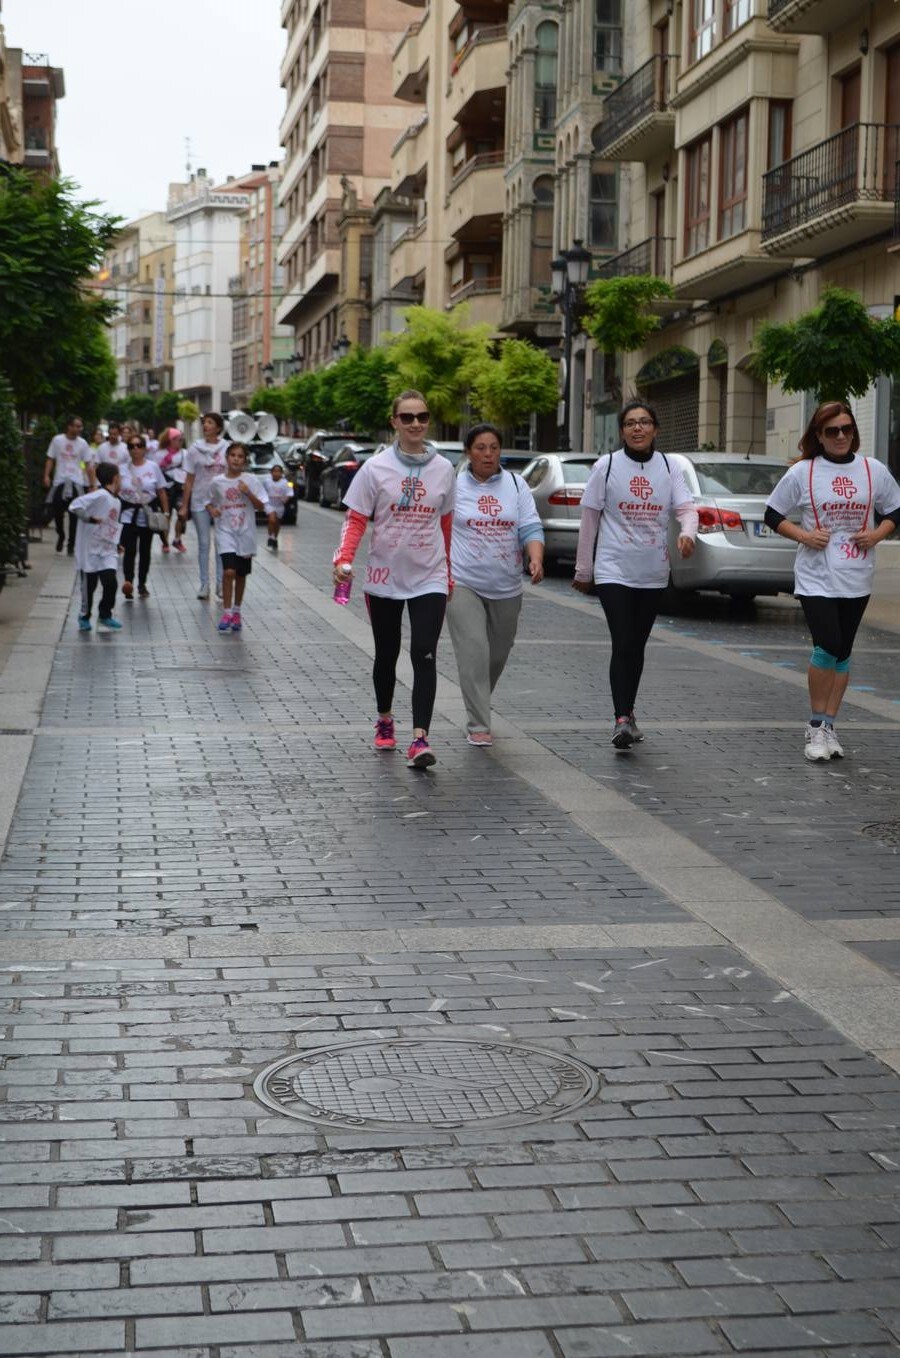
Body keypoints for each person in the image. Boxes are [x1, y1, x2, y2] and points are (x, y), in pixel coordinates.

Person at [764, 400, 900, 762]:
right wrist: (804, 537)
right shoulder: (804, 472)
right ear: (819, 436)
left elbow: (895, 511)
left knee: (843, 652)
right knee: (827, 645)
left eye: (847, 429)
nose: (841, 436)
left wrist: (877, 534)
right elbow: (773, 514)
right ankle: (814, 725)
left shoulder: (873, 470)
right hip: (816, 576)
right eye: (832, 431)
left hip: (857, 575)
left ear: (854, 433)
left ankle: (829, 726)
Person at [332, 389, 455, 768]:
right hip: (385, 575)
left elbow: (446, 524)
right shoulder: (375, 468)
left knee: (424, 653)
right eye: (407, 417)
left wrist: (448, 573)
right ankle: (385, 720)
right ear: (394, 422)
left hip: (429, 574)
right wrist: (344, 558)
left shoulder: (445, 469)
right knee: (387, 654)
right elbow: (356, 520)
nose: (416, 423)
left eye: (422, 416)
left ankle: (420, 739)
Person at [573, 401, 698, 750]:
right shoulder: (607, 465)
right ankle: (621, 719)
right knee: (623, 639)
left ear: (655, 429)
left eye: (644, 422)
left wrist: (687, 533)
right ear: (622, 431)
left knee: (636, 645)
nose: (638, 428)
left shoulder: (669, 467)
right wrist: (585, 569)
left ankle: (628, 710)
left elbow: (687, 509)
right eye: (630, 423)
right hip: (614, 568)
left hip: (653, 571)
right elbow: (590, 520)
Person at [447, 423, 544, 746]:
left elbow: (530, 526)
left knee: (497, 654)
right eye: (480, 448)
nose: (488, 454)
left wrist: (536, 559)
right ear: (468, 453)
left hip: (507, 583)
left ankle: (477, 698)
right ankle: (478, 724)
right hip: (462, 581)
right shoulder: (453, 486)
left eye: (493, 447)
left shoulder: (517, 485)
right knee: (474, 651)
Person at [206, 442, 268, 633]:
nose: (236, 459)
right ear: (227, 458)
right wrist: (212, 510)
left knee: (241, 574)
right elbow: (208, 502)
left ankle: (237, 611)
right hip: (225, 532)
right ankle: (226, 612)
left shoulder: (251, 480)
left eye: (240, 456)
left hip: (245, 533)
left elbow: (261, 506)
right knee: (229, 572)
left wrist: (247, 492)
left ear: (245, 460)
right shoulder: (217, 482)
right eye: (233, 455)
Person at [179, 412, 229, 600]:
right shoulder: (194, 449)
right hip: (200, 501)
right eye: (204, 423)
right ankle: (204, 585)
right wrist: (184, 505)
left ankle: (220, 584)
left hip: (221, 502)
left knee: (220, 543)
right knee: (204, 543)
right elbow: (189, 480)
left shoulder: (226, 448)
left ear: (218, 427)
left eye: (210, 422)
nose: (206, 426)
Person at [68, 462, 123, 632]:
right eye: (119, 477)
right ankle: (84, 615)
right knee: (89, 586)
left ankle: (105, 615)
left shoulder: (116, 500)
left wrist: (117, 542)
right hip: (89, 549)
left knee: (111, 582)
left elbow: (112, 524)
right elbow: (75, 505)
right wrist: (90, 519)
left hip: (107, 549)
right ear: (115, 478)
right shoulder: (99, 495)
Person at [118, 435, 169, 600]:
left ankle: (142, 583)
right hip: (128, 515)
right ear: (128, 449)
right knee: (130, 550)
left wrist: (166, 513)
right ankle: (128, 582)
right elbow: (115, 490)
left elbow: (161, 491)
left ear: (144, 448)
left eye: (139, 445)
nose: (135, 449)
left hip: (147, 515)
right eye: (131, 446)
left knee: (145, 551)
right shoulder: (122, 469)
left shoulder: (153, 467)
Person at [43, 416, 91, 555]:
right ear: (69, 426)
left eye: (80, 426)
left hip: (77, 482)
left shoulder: (83, 443)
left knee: (74, 515)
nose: (78, 429)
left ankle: (71, 544)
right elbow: (50, 459)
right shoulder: (57, 440)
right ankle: (61, 535)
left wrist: (91, 483)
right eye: (76, 426)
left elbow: (88, 464)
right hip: (60, 481)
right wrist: (46, 475)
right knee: (57, 513)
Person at [156, 427, 188, 554]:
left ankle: (177, 539)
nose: (180, 442)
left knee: (182, 514)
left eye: (181, 439)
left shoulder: (184, 453)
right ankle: (165, 542)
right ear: (170, 440)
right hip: (166, 488)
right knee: (166, 516)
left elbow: (189, 470)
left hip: (180, 487)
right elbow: (155, 471)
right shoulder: (160, 454)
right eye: (177, 439)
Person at [262, 463, 293, 549]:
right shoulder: (266, 481)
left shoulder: (286, 483)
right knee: (271, 519)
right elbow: (262, 491)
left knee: (277, 523)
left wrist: (285, 499)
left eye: (278, 471)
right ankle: (270, 537)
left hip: (279, 505)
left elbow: (290, 493)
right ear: (271, 473)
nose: (276, 473)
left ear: (281, 473)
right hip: (270, 504)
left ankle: (275, 538)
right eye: (274, 471)